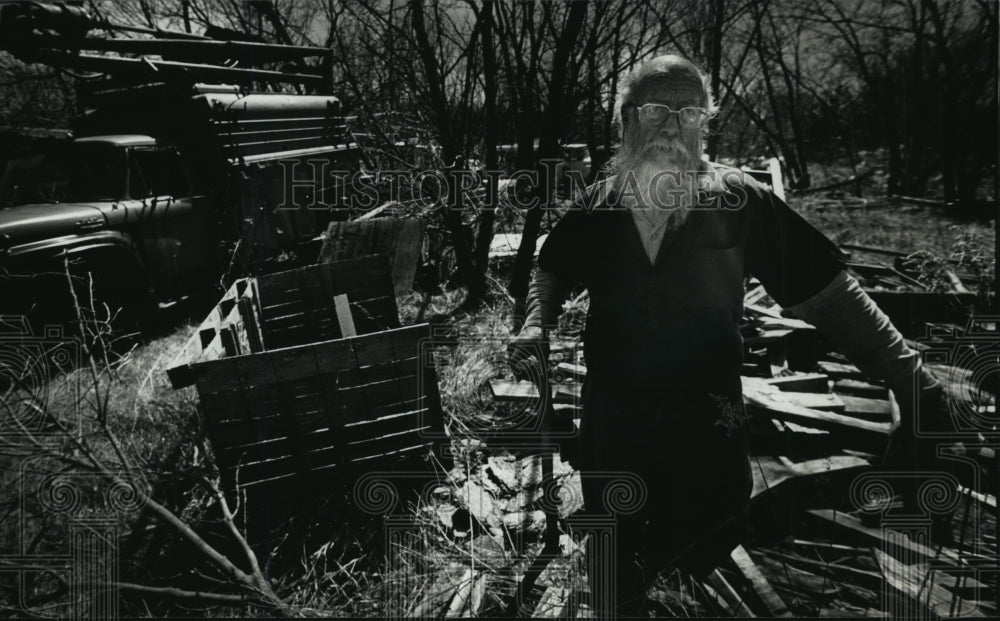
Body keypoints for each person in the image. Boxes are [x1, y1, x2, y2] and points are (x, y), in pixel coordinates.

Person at [507, 54, 947, 617]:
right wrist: (535, 323)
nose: (672, 125)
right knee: (619, 566)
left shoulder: (741, 201)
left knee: (705, 551)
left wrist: (910, 377)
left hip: (708, 421)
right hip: (614, 423)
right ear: (626, 121)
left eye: (689, 112)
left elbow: (827, 291)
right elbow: (555, 267)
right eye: (656, 109)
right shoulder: (599, 203)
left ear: (705, 123)